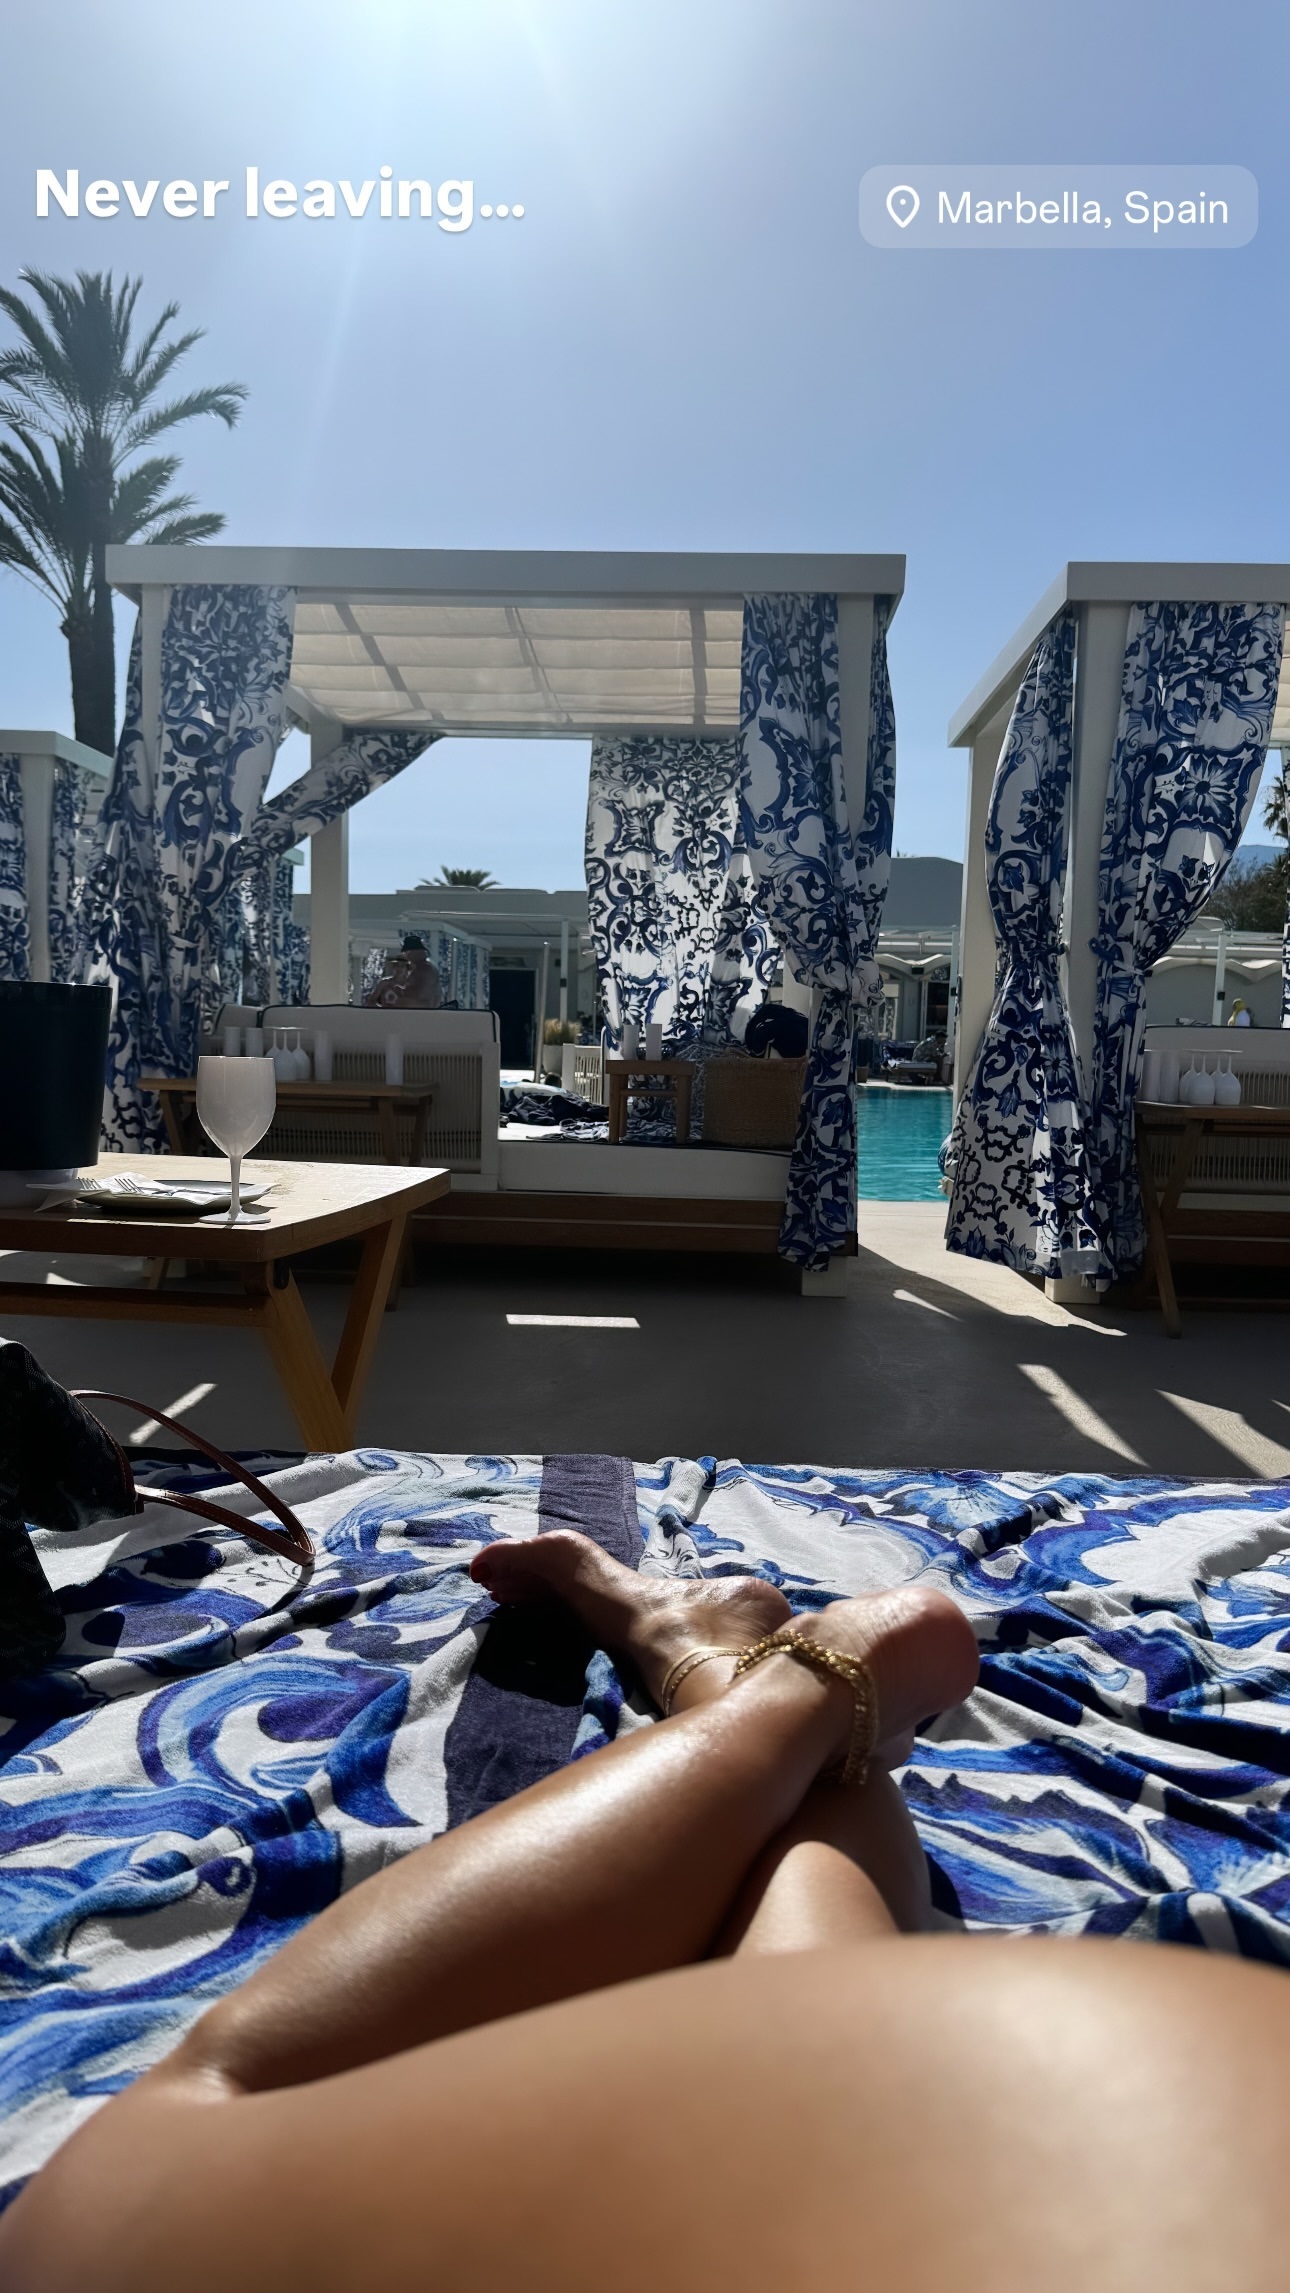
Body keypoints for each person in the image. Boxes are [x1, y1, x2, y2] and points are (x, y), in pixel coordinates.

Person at [3, 1530, 1288, 2292]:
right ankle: (776, 1682)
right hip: (1123, 2143)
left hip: (1086, 2125)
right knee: (122, 2194)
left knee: (124, 2190)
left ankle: (750, 1675)